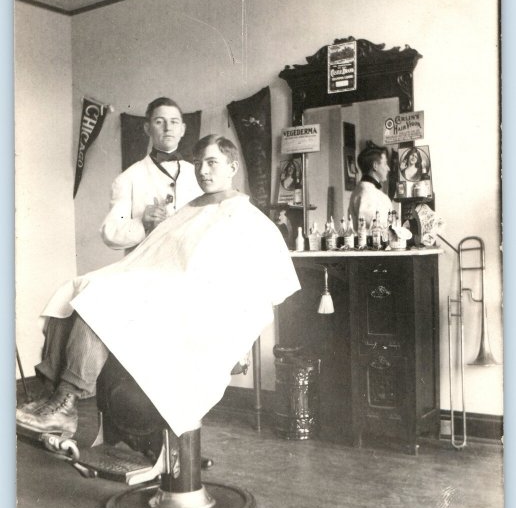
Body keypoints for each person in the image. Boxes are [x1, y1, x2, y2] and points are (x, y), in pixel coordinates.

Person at [16, 135, 301, 439]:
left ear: (232, 166)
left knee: (102, 300)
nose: (203, 170)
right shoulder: (189, 210)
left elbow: (266, 284)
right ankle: (57, 397)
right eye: (199, 163)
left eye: (212, 162)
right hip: (161, 291)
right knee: (81, 287)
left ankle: (66, 401)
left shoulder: (250, 219)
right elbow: (155, 257)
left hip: (196, 305)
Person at [101, 97, 203, 251]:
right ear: (147, 129)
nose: (168, 128)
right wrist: (143, 223)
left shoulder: (198, 174)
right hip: (146, 269)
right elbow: (110, 232)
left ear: (182, 129)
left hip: (189, 267)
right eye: (159, 122)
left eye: (174, 122)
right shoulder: (127, 179)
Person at [348, 145, 393, 229]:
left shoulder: (363, 190)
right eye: (385, 163)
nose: (388, 168)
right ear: (375, 166)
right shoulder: (366, 193)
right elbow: (373, 228)